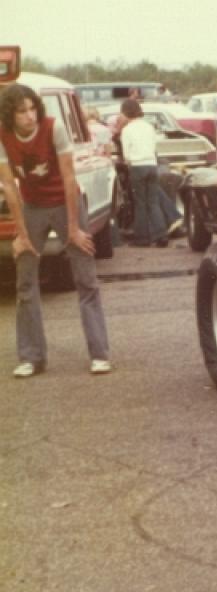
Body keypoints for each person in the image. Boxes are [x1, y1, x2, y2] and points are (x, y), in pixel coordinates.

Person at [0, 84, 111, 377]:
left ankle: (99, 354)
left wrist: (73, 229)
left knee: (85, 277)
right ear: (9, 115)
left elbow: (69, 178)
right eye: (21, 111)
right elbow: (9, 187)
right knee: (25, 281)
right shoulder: (3, 135)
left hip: (65, 202)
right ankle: (31, 357)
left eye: (32, 108)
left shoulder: (53, 128)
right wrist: (21, 235)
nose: (30, 116)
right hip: (33, 207)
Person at [119, 98, 167, 248]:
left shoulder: (127, 130)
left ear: (126, 112)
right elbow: (154, 147)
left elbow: (126, 155)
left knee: (140, 203)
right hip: (152, 165)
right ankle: (161, 235)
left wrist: (128, 161)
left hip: (137, 166)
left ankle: (142, 238)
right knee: (153, 202)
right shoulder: (148, 127)